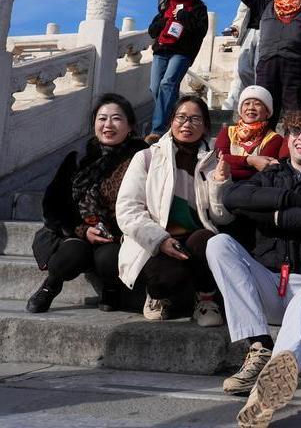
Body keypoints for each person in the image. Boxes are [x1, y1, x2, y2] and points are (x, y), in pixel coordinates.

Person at [208, 111, 301, 426]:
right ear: (287, 138)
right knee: (218, 244)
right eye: (296, 132)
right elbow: (234, 196)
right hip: (272, 285)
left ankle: (267, 392)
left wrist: (273, 214)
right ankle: (259, 344)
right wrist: (291, 199)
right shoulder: (271, 174)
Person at [116, 95, 233, 325]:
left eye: (195, 119)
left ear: (206, 126)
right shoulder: (147, 157)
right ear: (171, 121)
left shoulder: (213, 162)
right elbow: (128, 209)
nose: (187, 124)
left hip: (194, 239)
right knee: (165, 275)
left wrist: (220, 184)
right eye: (181, 117)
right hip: (155, 238)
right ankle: (157, 297)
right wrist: (159, 240)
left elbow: (221, 218)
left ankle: (206, 299)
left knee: (208, 240)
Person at [27, 94, 148, 313]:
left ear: (130, 126)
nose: (108, 125)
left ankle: (111, 288)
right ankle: (50, 285)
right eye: (102, 118)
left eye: (116, 118)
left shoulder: (142, 158)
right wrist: (82, 230)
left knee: (108, 259)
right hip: (78, 229)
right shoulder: (79, 157)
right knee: (69, 257)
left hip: (120, 234)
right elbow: (53, 205)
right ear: (94, 124)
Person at [146, 0, 209, 143]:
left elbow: (201, 30)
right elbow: (152, 31)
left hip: (182, 52)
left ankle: (158, 130)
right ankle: (172, 119)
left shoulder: (198, 7)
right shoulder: (166, 7)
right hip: (162, 50)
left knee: (168, 84)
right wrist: (164, 21)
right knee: (155, 87)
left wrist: (182, 15)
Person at [223, 0, 273, 111]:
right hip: (249, 33)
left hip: (267, 34)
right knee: (241, 69)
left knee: (260, 70)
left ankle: (259, 105)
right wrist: (235, 27)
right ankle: (233, 104)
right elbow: (241, 14)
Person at [216, 86, 283, 181]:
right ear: (240, 110)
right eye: (247, 103)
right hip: (224, 184)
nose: (251, 108)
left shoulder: (274, 139)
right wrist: (251, 160)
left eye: (257, 104)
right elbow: (220, 159)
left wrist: (229, 168)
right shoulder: (227, 132)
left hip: (254, 187)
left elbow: (262, 170)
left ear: (267, 112)